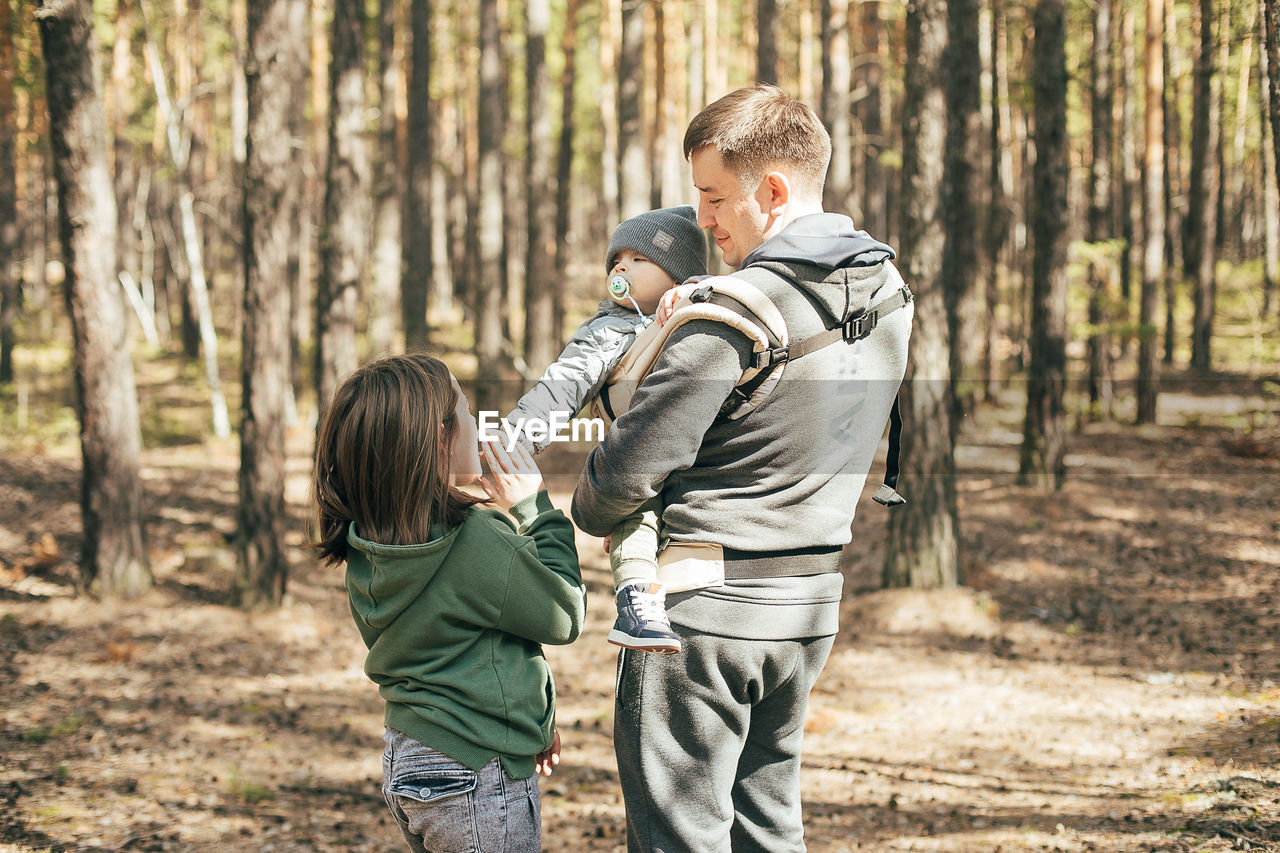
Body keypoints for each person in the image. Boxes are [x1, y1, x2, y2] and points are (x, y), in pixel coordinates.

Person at [571, 85, 913, 852]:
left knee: (680, 838)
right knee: (770, 829)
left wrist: (589, 488)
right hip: (808, 610)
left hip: (701, 619)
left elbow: (618, 483)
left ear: (775, 190)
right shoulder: (888, 293)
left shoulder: (730, 313)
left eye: (714, 195)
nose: (702, 219)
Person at [312, 352, 585, 853]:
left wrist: (534, 726)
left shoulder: (367, 543)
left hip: (409, 755)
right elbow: (564, 612)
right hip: (475, 766)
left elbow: (467, 653)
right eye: (465, 410)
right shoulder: (474, 540)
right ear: (439, 438)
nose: (478, 422)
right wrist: (535, 508)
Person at [505, 205, 707, 655]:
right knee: (638, 511)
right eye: (618, 259)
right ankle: (636, 601)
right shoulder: (609, 331)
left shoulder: (701, 308)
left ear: (678, 277)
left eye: (640, 259)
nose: (621, 266)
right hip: (642, 452)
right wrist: (516, 438)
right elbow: (562, 385)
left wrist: (693, 292)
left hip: (701, 461)